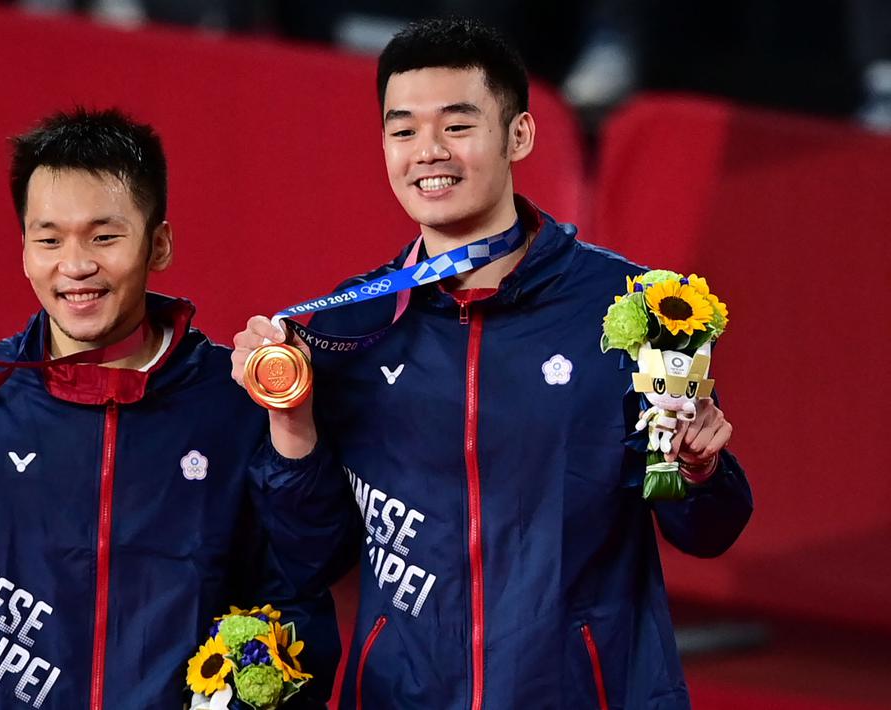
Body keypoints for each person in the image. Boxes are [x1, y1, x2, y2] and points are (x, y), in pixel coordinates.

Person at [232, 18, 752, 709]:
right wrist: (290, 427)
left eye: (456, 125)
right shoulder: (345, 329)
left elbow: (706, 531)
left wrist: (699, 469)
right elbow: (309, 560)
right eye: (402, 130)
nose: (427, 153)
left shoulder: (636, 309)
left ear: (519, 136)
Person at [0, 108, 356, 709]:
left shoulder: (234, 405)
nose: (75, 265)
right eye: (49, 239)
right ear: (23, 251)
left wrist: (259, 697)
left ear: (160, 244)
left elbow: (305, 587)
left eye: (104, 236)